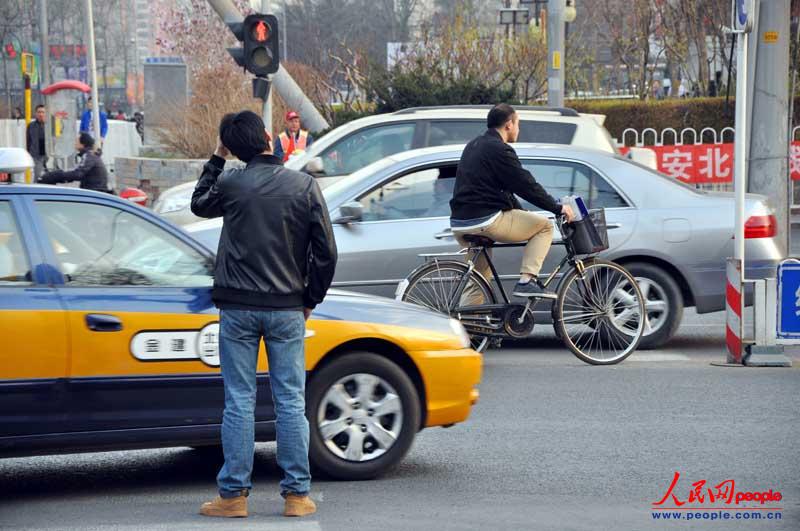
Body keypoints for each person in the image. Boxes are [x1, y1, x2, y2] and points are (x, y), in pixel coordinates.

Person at [191, 110, 337, 519]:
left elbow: (199, 203)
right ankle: (296, 496)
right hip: (287, 307)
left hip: (237, 307)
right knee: (290, 400)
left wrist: (217, 158)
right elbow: (326, 252)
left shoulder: (232, 183)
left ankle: (233, 496)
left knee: (239, 400)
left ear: (234, 148)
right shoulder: (304, 185)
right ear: (269, 139)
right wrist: (310, 299)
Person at [449, 104, 575, 302]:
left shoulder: (474, 145)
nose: (518, 129)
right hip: (486, 220)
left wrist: (522, 213)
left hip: (460, 222)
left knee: (478, 282)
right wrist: (557, 208)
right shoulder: (500, 149)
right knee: (544, 226)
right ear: (509, 124)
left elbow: (504, 189)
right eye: (518, 124)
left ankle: (464, 321)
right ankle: (527, 281)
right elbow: (525, 185)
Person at [39, 133, 109, 193]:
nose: (75, 143)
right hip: (93, 190)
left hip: (94, 192)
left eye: (77, 141)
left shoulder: (89, 155)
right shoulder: (90, 155)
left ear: (83, 144)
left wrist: (56, 175)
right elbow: (77, 172)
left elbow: (78, 174)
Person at [26, 104, 47, 181]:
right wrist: (29, 153)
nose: (41, 114)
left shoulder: (50, 125)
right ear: (36, 113)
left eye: (43, 112)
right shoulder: (31, 126)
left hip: (48, 155)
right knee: (38, 176)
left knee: (49, 177)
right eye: (39, 112)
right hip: (36, 156)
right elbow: (28, 141)